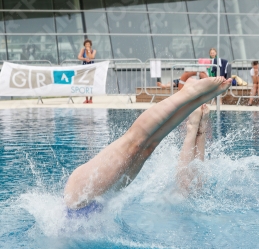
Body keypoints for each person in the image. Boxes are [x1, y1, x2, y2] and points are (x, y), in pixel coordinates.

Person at [64, 75, 231, 211]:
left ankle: (186, 93)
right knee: (146, 148)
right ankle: (198, 99)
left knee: (133, 143)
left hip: (77, 198)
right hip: (100, 200)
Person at [78, 39, 96, 104]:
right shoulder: (83, 50)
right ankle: (86, 99)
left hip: (91, 68)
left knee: (91, 83)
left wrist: (88, 51)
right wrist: (84, 58)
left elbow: (92, 57)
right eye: (86, 44)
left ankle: (91, 99)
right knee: (85, 83)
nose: (87, 45)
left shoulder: (93, 51)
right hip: (85, 67)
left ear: (90, 45)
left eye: (88, 44)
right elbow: (79, 57)